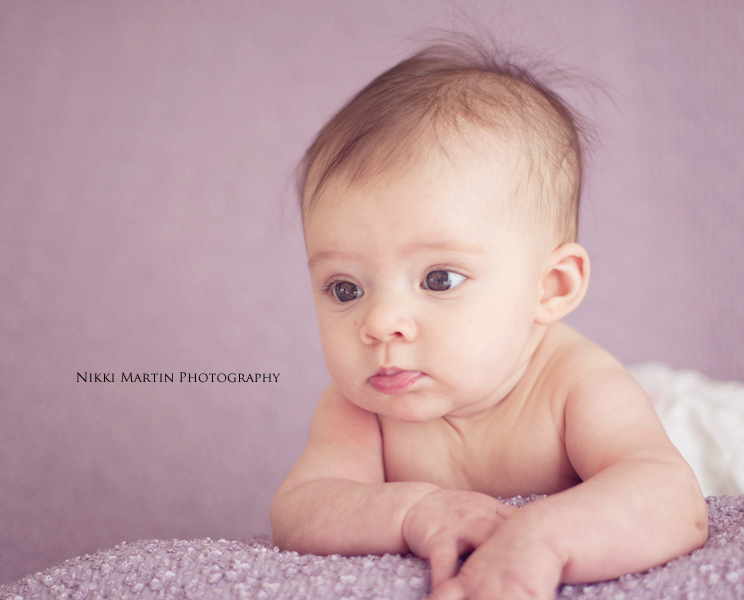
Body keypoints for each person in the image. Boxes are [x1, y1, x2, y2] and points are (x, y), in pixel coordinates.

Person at [271, 39, 708, 600]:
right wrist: (415, 509)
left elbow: (672, 496)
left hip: (680, 419)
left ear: (551, 287)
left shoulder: (576, 385)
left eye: (439, 280)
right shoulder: (363, 406)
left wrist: (542, 540)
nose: (379, 323)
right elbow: (301, 507)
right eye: (346, 288)